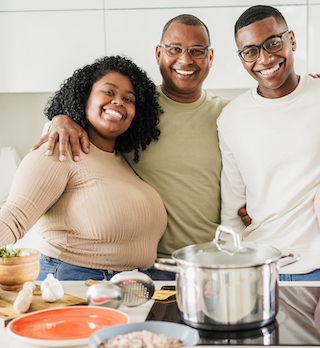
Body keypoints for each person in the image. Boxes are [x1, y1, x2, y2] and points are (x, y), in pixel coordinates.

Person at [32, 14, 231, 280]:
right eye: (175, 49)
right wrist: (60, 119)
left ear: (210, 57)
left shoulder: (228, 115)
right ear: (159, 53)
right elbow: (89, 125)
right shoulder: (136, 111)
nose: (185, 60)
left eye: (197, 51)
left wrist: (306, 87)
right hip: (147, 269)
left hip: (213, 265)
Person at [0, 55, 167, 281]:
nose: (119, 101)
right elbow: (12, 219)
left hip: (131, 287)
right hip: (75, 283)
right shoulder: (60, 150)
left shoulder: (123, 162)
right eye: (109, 92)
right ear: (84, 97)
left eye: (129, 99)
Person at [217, 5, 320, 280]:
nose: (265, 58)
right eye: (251, 51)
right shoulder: (231, 118)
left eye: (273, 43)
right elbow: (232, 206)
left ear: (292, 40)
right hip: (258, 267)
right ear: (242, 58)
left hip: (316, 267)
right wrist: (231, 271)